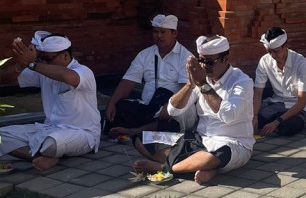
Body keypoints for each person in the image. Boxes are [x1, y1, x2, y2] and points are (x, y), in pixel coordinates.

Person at [133, 35, 254, 185]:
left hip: (232, 143)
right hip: (198, 140)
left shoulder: (242, 82)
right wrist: (190, 85)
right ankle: (201, 167)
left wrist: (203, 84)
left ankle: (166, 168)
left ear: (225, 59)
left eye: (210, 62)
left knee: (218, 155)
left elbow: (228, 115)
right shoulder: (201, 78)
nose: (204, 66)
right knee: (141, 138)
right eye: (201, 61)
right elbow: (173, 110)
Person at [0, 33, 100, 171]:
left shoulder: (83, 71)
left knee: (52, 143)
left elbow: (69, 77)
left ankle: (46, 152)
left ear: (65, 55)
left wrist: (32, 63)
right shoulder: (41, 69)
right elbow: (8, 79)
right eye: (40, 58)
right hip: (47, 129)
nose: (43, 63)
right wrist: (20, 65)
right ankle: (39, 158)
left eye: (47, 59)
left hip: (82, 133)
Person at [103, 14, 191, 136]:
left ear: (174, 33)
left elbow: (186, 89)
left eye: (163, 32)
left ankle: (136, 131)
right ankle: (141, 130)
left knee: (176, 119)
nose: (158, 36)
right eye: (155, 32)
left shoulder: (185, 57)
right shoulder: (145, 54)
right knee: (119, 107)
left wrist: (172, 105)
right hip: (147, 108)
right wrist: (112, 103)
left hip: (169, 108)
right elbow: (128, 81)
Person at [253, 28, 306, 137]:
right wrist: (254, 116)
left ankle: (278, 124)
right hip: (275, 104)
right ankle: (272, 125)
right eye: (269, 51)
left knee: (290, 126)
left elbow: (301, 102)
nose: (272, 56)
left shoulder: (301, 63)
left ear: (286, 46)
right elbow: (258, 93)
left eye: (276, 51)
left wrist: (277, 122)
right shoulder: (264, 61)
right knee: (247, 119)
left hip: (296, 108)